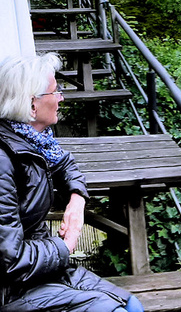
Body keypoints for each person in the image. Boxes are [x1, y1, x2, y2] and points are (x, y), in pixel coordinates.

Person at [1, 54, 144, 312]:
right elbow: (9, 261)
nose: (61, 98)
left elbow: (66, 165)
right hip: (12, 288)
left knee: (132, 304)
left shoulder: (36, 140)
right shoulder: (3, 162)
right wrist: (64, 246)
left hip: (43, 266)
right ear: (32, 105)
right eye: (55, 92)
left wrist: (77, 200)